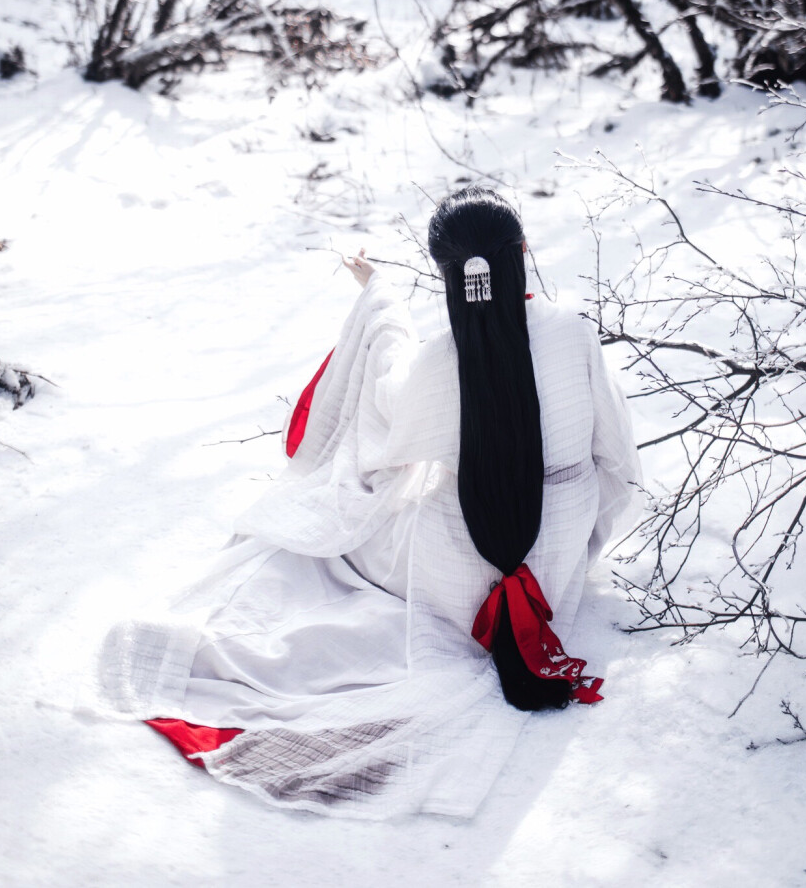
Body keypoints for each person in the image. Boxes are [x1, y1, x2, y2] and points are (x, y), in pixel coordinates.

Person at [96, 188, 642, 818]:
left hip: (452, 572)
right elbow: (616, 454)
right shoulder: (573, 334)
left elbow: (387, 409)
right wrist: (575, 520)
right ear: (523, 252)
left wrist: (380, 296)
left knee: (334, 547)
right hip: (554, 557)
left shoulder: (442, 359)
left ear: (447, 276)